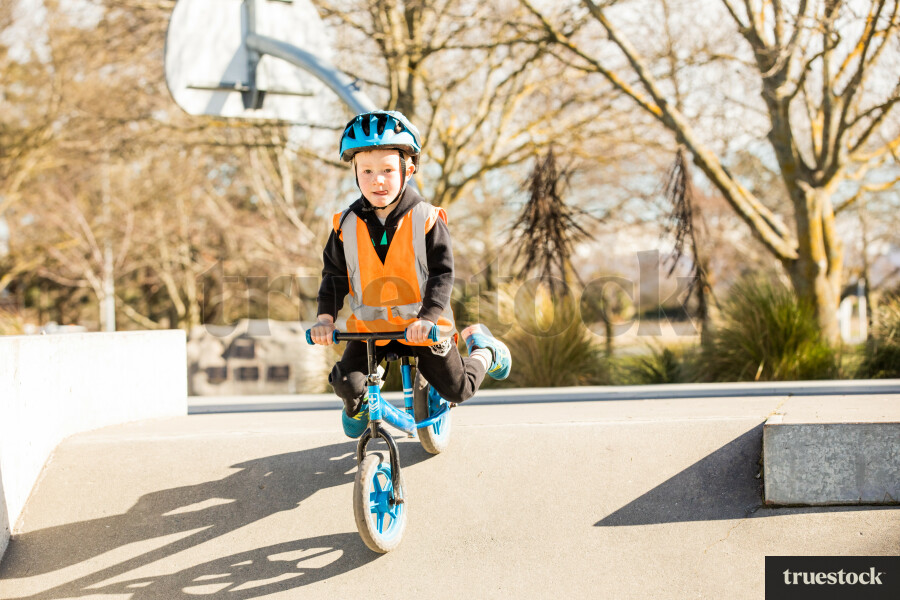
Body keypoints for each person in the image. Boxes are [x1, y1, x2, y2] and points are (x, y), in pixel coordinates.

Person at [309, 110, 511, 438]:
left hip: (423, 327)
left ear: (408, 169)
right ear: (355, 172)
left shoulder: (427, 219)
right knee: (346, 381)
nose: (377, 180)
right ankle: (356, 404)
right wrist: (325, 320)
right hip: (371, 328)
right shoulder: (345, 225)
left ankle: (485, 349)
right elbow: (334, 277)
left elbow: (442, 274)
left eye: (388, 170)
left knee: (458, 389)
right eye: (367, 170)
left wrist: (428, 318)